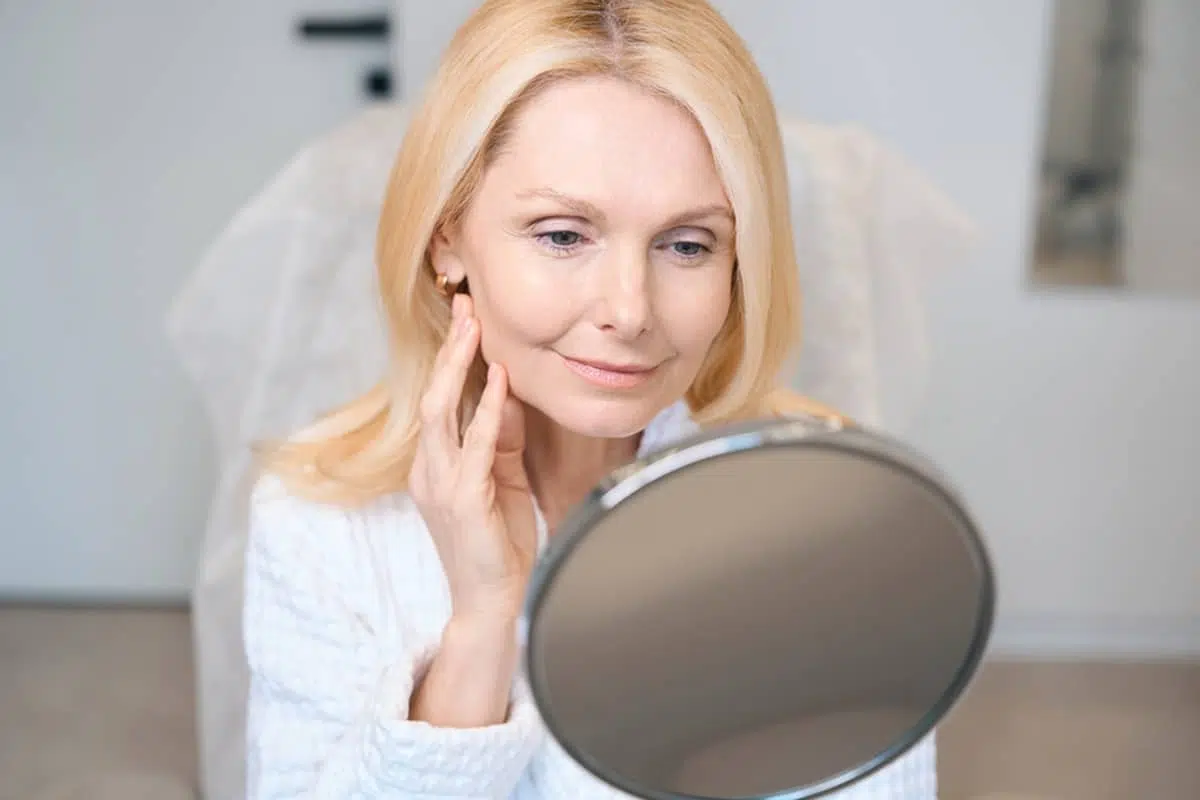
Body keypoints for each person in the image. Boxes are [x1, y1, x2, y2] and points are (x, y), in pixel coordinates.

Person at [241, 0, 938, 797]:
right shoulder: (317, 523)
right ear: (448, 238)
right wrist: (481, 628)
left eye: (686, 245)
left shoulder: (838, 525)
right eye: (563, 235)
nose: (630, 309)